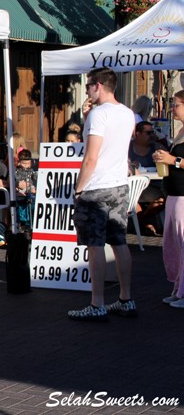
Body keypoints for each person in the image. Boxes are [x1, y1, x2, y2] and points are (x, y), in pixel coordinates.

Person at [69, 67, 136, 322]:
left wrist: (79, 188)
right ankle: (126, 299)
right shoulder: (127, 113)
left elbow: (92, 156)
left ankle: (97, 303)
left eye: (88, 86)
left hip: (97, 187)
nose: (86, 90)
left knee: (95, 246)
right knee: (119, 242)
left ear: (98, 85)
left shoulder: (99, 114)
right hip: (119, 184)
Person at [152, 90, 184, 308]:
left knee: (182, 242)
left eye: (176, 105)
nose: (173, 108)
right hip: (173, 192)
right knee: (173, 244)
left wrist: (174, 159)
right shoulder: (181, 130)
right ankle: (178, 288)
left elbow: (178, 160)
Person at [129, 121, 165, 235]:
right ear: (137, 133)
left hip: (153, 185)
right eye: (148, 133)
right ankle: (146, 223)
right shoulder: (127, 147)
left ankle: (143, 220)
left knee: (163, 199)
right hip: (132, 186)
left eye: (152, 132)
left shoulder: (157, 147)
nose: (151, 136)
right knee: (132, 198)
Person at [15, 148, 36, 229]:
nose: (26, 165)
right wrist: (18, 184)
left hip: (29, 187)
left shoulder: (31, 170)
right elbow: (16, 179)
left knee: (33, 189)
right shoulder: (17, 171)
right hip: (21, 188)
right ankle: (23, 221)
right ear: (19, 162)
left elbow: (34, 176)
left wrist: (37, 175)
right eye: (24, 163)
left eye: (28, 163)